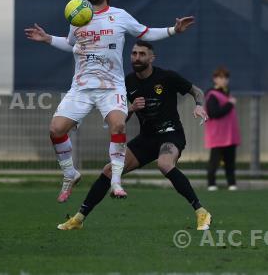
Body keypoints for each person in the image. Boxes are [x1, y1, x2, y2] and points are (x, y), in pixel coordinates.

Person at [24, 0, 195, 202]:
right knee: (56, 130)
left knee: (118, 125)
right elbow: (71, 44)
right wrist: (47, 39)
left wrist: (173, 30)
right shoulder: (77, 17)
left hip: (111, 87)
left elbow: (146, 32)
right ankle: (70, 173)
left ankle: (116, 181)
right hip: (82, 87)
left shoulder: (119, 16)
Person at [57, 41, 212, 231]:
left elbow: (197, 91)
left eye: (142, 54)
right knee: (108, 171)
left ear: (151, 58)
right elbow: (121, 118)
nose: (137, 58)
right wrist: (131, 108)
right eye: (134, 53)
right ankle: (78, 219)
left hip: (171, 134)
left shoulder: (167, 77)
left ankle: (201, 211)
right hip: (146, 138)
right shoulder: (126, 83)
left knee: (164, 164)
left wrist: (198, 104)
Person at [204, 67, 240, 191]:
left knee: (230, 162)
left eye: (225, 78)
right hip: (218, 135)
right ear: (215, 79)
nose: (223, 80)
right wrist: (230, 104)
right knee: (215, 161)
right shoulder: (212, 94)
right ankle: (211, 184)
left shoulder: (227, 92)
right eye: (220, 77)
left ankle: (232, 184)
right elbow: (214, 113)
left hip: (229, 135)